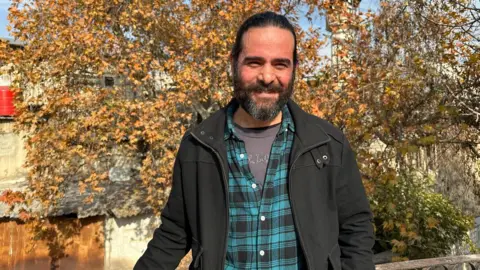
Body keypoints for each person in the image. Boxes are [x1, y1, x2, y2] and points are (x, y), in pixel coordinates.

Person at [134, 11, 375, 270]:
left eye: (280, 64)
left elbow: (355, 228)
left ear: (294, 67)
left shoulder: (327, 144)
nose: (267, 77)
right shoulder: (198, 146)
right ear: (234, 62)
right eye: (255, 62)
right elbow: (174, 232)